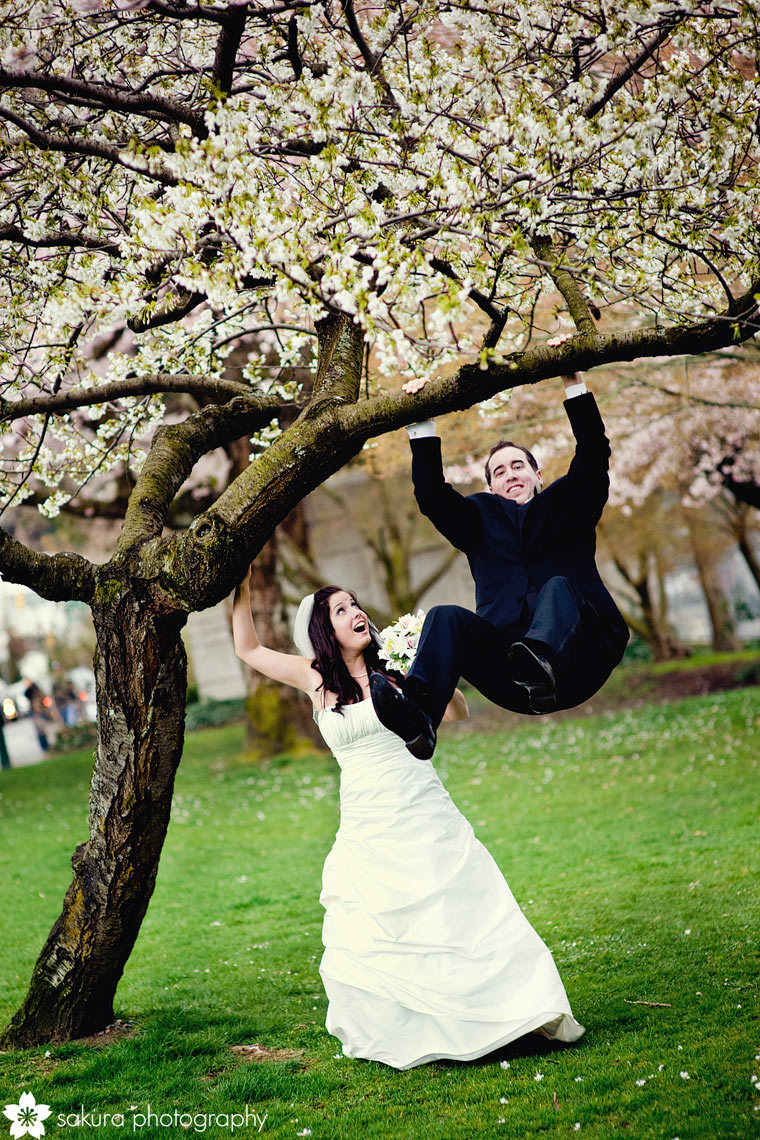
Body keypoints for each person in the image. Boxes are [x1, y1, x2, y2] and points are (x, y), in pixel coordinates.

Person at [232, 572, 584, 1069]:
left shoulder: (394, 671)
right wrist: (240, 583)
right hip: (367, 824)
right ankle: (424, 1027)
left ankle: (503, 1017)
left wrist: (427, 664)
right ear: (323, 632)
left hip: (422, 807)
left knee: (455, 909)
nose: (356, 612)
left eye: (356, 603)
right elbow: (248, 649)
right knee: (390, 924)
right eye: (340, 610)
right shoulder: (315, 678)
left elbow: (457, 712)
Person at [370, 370, 630, 760]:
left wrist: (573, 383)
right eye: (500, 471)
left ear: (537, 475)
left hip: (582, 656)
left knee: (558, 584)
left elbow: (593, 454)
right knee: (444, 616)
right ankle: (419, 718)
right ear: (491, 487)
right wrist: (420, 422)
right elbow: (431, 495)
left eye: (518, 466)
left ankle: (541, 658)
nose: (510, 474)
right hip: (513, 676)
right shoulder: (479, 521)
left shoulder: (567, 507)